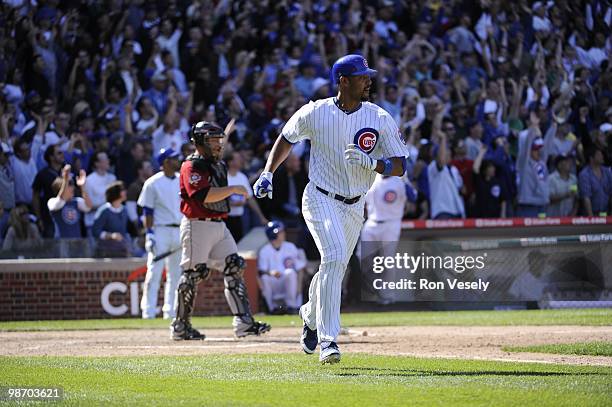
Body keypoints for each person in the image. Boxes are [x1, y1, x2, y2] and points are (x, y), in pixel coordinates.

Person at [253, 54, 408, 364]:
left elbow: (401, 165)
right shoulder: (315, 112)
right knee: (335, 257)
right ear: (343, 81)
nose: (369, 81)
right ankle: (328, 339)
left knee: (333, 266)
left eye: (369, 76)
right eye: (362, 76)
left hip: (355, 205)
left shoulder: (379, 117)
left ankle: (310, 315)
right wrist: (268, 172)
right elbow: (286, 138)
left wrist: (374, 163)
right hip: (320, 197)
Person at [171, 121, 271, 340]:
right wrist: (233, 189)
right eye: (213, 141)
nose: (218, 145)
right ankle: (180, 325)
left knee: (234, 266)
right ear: (199, 143)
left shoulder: (217, 164)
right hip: (196, 224)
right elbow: (203, 195)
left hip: (219, 224)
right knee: (193, 274)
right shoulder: (191, 166)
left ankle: (244, 323)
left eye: (219, 140)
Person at [137, 148, 182, 320]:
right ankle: (148, 311)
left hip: (179, 229)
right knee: (154, 272)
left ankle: (170, 311)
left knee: (176, 274)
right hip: (161, 230)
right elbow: (147, 211)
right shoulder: (152, 183)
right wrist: (149, 234)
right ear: (165, 162)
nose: (177, 161)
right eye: (173, 158)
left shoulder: (181, 180)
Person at [359, 173, 409, 304]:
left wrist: (406, 182)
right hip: (371, 222)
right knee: (361, 257)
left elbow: (414, 197)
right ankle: (372, 290)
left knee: (388, 261)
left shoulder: (399, 180)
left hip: (391, 223)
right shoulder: (372, 177)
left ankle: (387, 295)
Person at [257, 221, 305, 314]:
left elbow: (300, 269)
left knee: (290, 273)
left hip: (287, 280)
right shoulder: (264, 250)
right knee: (265, 278)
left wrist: (299, 288)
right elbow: (261, 271)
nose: (283, 234)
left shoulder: (290, 247)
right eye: (280, 232)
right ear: (273, 235)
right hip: (273, 281)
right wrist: (271, 273)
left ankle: (291, 307)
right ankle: (272, 308)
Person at [225, 150, 267, 242]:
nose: (241, 160)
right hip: (225, 220)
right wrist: (231, 204)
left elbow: (250, 198)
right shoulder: (224, 177)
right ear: (230, 162)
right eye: (238, 159)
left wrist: (261, 217)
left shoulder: (242, 177)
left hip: (239, 220)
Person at [47, 164, 92, 238]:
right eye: (69, 185)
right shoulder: (52, 201)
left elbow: (88, 207)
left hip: (76, 243)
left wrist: (82, 187)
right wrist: (65, 180)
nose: (73, 188)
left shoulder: (76, 202)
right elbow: (59, 201)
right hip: (60, 244)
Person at [92, 181, 130, 257]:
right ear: (116, 193)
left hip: (121, 250)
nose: (125, 192)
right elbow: (95, 231)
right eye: (122, 190)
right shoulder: (104, 211)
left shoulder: (124, 210)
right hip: (105, 252)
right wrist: (111, 236)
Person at [579, 147, 612, 216]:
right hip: (591, 212)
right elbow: (586, 197)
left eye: (602, 154)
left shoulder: (607, 171)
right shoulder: (584, 174)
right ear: (591, 158)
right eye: (599, 155)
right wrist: (591, 217)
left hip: (605, 212)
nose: (602, 156)